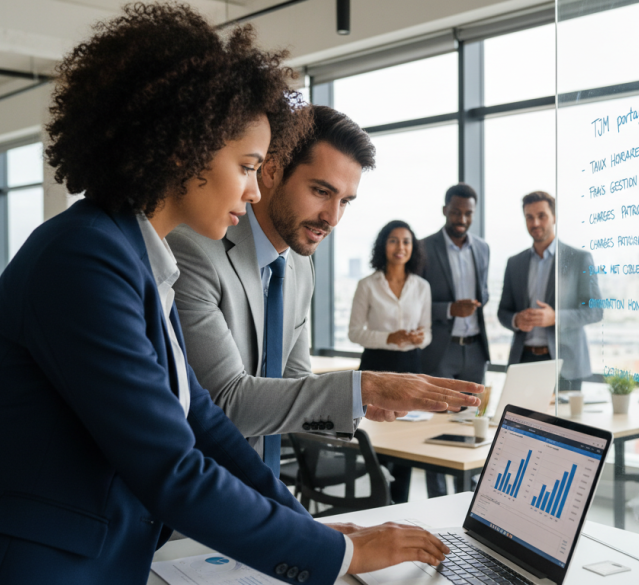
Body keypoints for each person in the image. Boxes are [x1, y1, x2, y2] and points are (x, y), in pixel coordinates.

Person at [0, 6, 460, 584]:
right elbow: (171, 464)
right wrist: (342, 557)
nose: (254, 190)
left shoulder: (133, 256)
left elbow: (204, 423)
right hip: (16, 568)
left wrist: (309, 531)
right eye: (247, 166)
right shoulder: (84, 258)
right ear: (185, 150)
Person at [166, 106, 478, 478]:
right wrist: (366, 386)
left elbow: (295, 384)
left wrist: (360, 403)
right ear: (272, 170)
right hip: (194, 491)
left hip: (261, 486)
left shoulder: (300, 266)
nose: (332, 217)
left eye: (345, 201)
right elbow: (226, 403)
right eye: (321, 191)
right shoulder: (194, 251)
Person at [348, 220, 431, 503]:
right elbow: (354, 332)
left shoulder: (421, 286)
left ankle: (401, 502)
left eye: (406, 241)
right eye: (394, 240)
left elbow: (428, 331)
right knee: (376, 433)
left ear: (413, 248)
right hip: (376, 363)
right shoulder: (367, 285)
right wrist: (389, 338)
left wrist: (419, 337)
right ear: (383, 245)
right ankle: (377, 500)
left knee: (408, 432)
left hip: (411, 363)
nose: (400, 247)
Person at [420, 183, 491, 497]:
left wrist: (477, 302)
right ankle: (438, 496)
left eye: (468, 213)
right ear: (445, 210)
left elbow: (484, 292)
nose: (462, 218)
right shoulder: (423, 248)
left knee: (471, 420)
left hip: (475, 349)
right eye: (456, 211)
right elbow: (417, 304)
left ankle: (468, 492)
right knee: (439, 422)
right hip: (442, 351)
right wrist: (451, 308)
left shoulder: (483, 248)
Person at [498, 191, 603, 390]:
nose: (535, 222)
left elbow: (596, 311)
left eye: (541, 216)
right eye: (529, 217)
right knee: (521, 421)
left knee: (562, 422)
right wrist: (516, 320)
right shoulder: (514, 263)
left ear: (554, 217)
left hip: (566, 363)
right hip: (523, 362)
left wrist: (555, 318)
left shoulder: (579, 259)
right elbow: (503, 311)